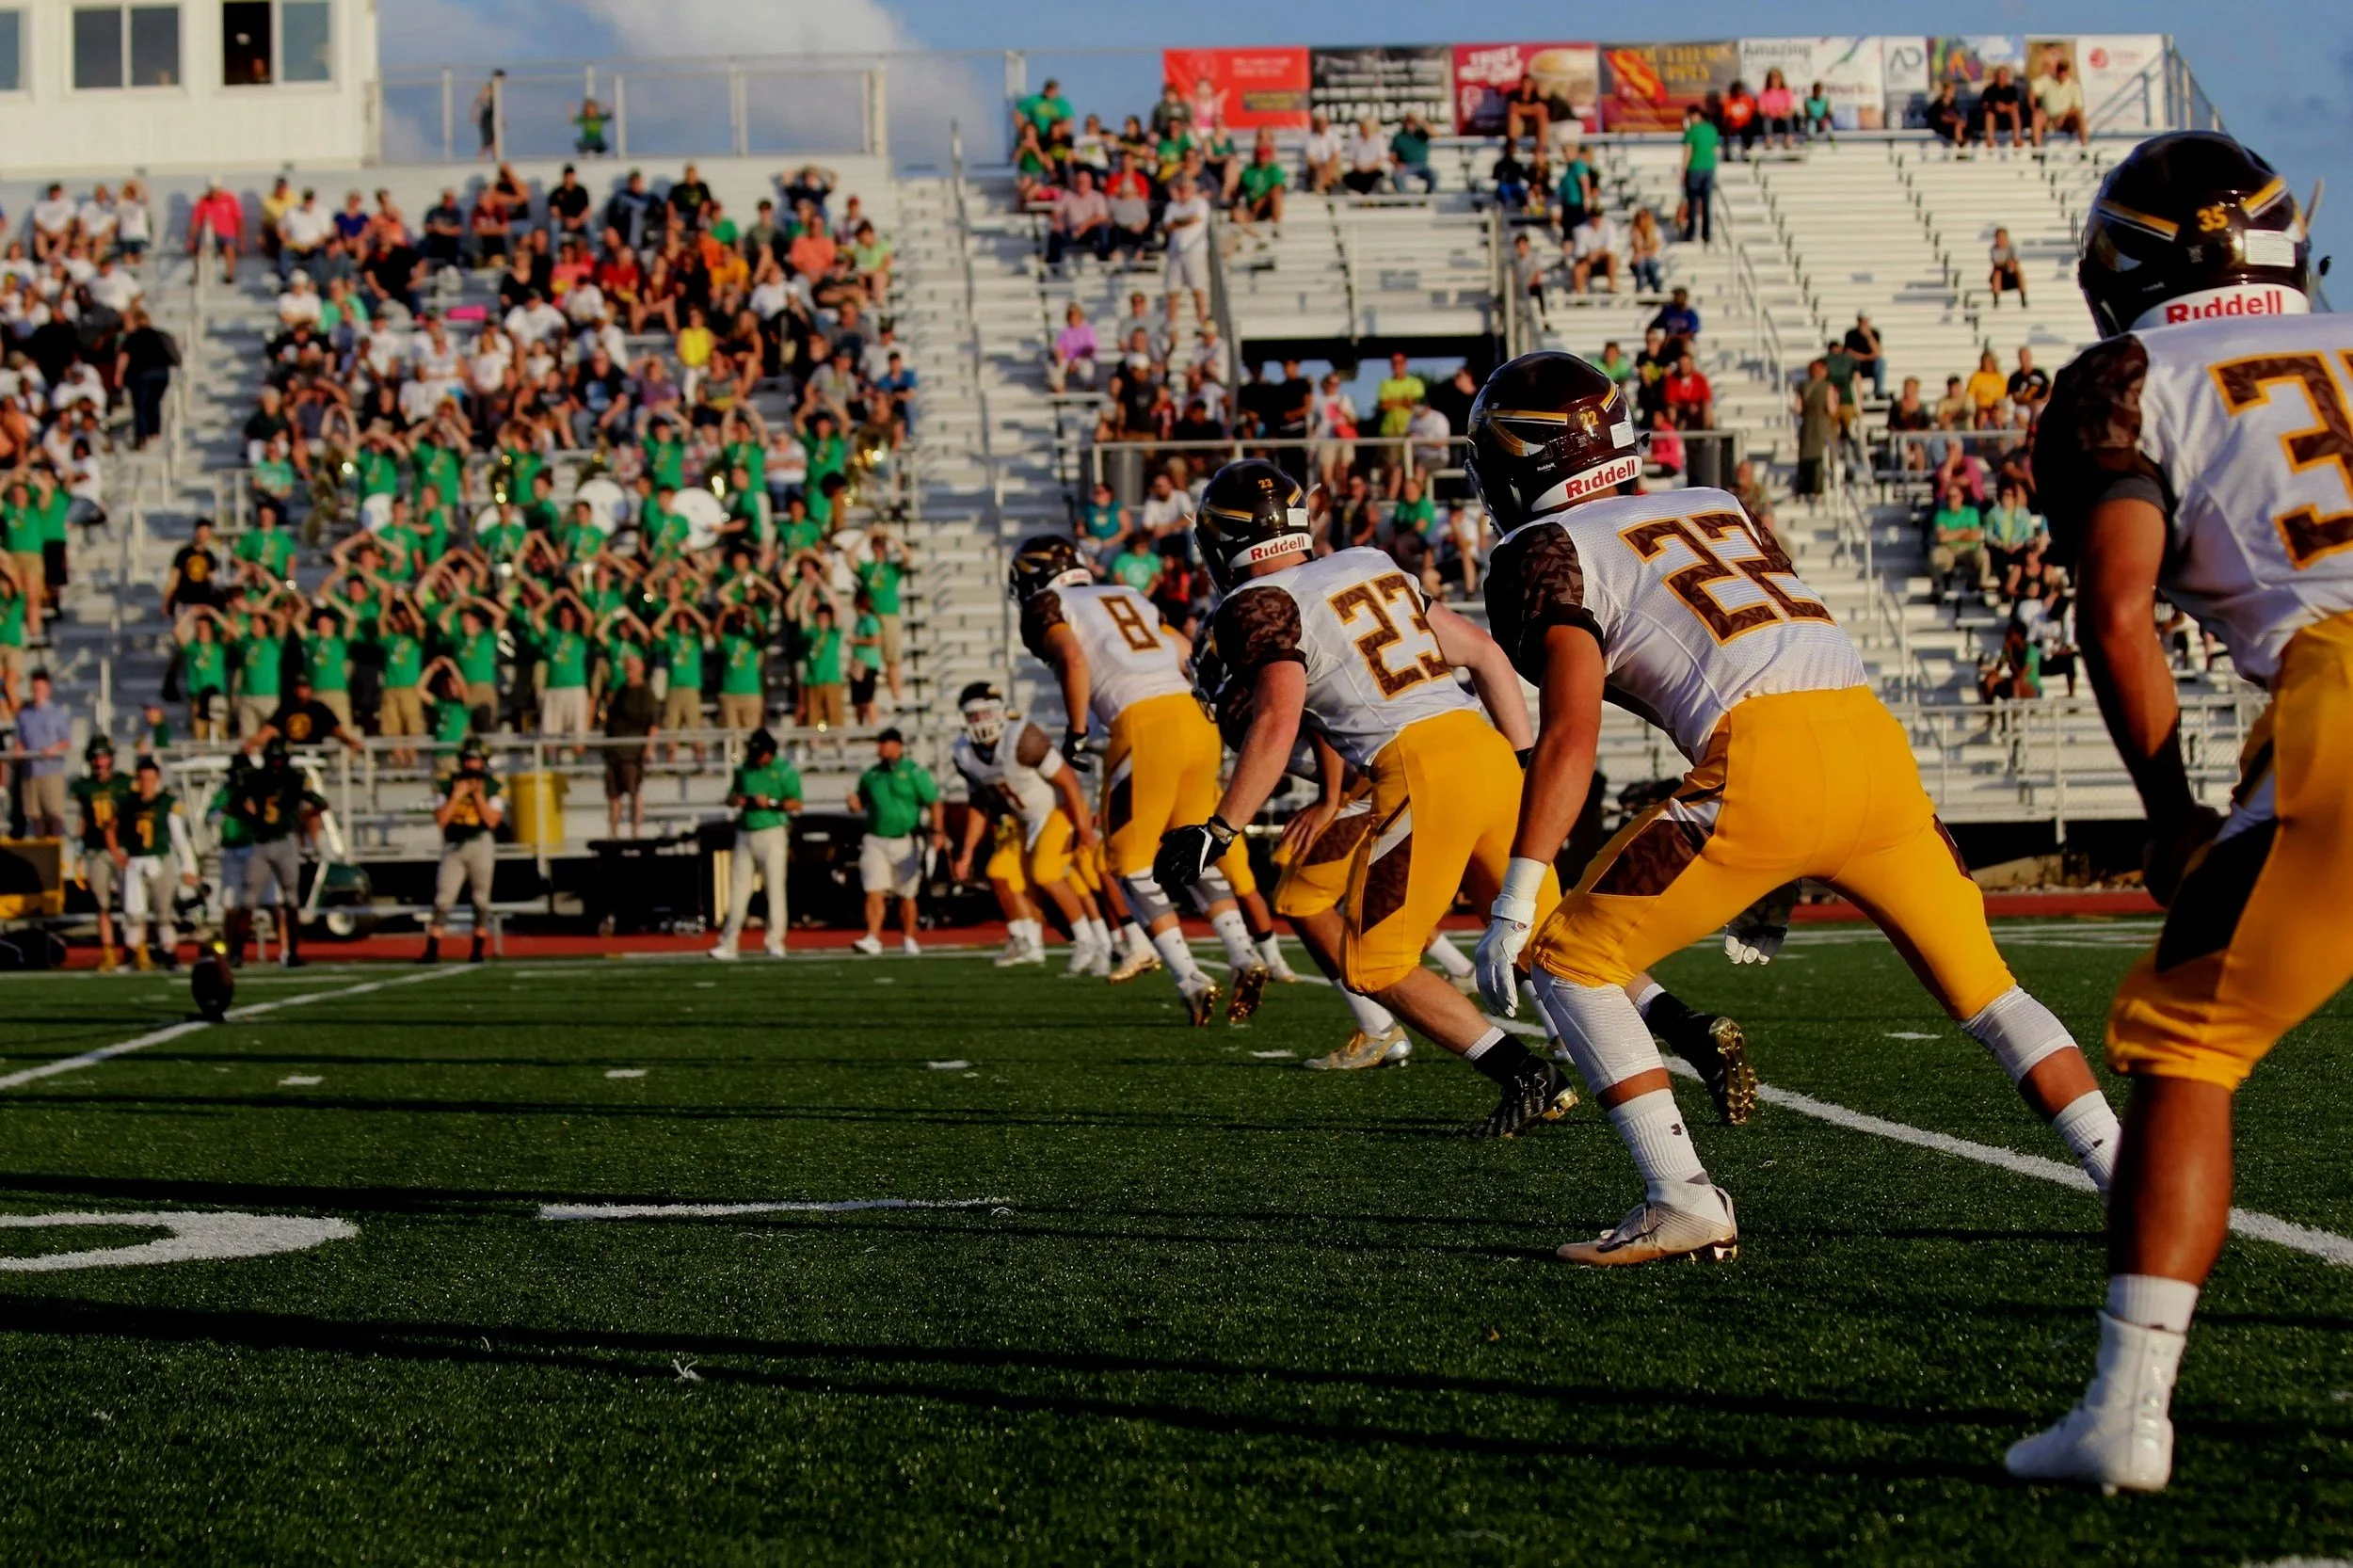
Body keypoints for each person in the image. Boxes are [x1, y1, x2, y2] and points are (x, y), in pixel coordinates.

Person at [1465, 351, 2121, 1265]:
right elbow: (1779, 644)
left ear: (1515, 460)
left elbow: (1572, 732)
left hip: (1760, 765)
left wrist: (1515, 892)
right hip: (1872, 747)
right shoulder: (1714, 503)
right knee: (1988, 993)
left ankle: (1681, 1196)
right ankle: (2125, 1175)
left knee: (1568, 960)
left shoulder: (1546, 548)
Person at [2005, 131, 2340, 1493]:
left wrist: (2167, 811)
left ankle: (2126, 1413)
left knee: (2187, 1039)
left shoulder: (2135, 378)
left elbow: (2119, 603)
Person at [1168, 460, 1575, 1111]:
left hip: (1417, 769)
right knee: (1549, 934)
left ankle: (1526, 1076)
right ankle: (1675, 1041)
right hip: (1487, 748)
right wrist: (1527, 761)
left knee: (1375, 963)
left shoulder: (1253, 603)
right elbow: (1487, 656)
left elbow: (1278, 719)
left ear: (1222, 543)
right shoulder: (1368, 561)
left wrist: (1220, 829)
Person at [1010, 535, 1266, 1016]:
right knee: (1192, 848)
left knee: (1127, 864)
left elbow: (1073, 657)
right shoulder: (1126, 594)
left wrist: (1078, 730)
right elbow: (1186, 651)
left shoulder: (1047, 604)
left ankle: (1189, 977)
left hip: (1144, 725)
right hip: (1193, 718)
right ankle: (1243, 953)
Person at [949, 681, 1112, 973]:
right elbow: (979, 804)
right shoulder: (964, 753)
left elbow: (1068, 783)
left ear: (1000, 712)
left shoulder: (1021, 737)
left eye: (985, 714)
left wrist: (1083, 826)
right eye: (973, 717)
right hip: (1021, 820)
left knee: (1049, 874)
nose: (980, 723)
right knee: (1001, 873)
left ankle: (1092, 941)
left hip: (1056, 811)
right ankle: (1028, 942)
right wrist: (967, 853)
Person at [226, 736, 326, 968]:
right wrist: (297, 819)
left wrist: (255, 820)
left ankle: (251, 953)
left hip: (274, 840)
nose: (277, 765)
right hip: (272, 840)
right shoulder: (289, 777)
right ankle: (271, 953)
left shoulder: (261, 777)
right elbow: (320, 803)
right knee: (272, 900)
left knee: (277, 899)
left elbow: (232, 807)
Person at [849, 728, 944, 957]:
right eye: (880, 743)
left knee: (907, 893)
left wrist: (937, 831)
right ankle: (873, 936)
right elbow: (861, 804)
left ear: (898, 746)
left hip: (905, 838)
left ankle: (909, 937)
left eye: (886, 743)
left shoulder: (914, 773)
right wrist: (854, 805)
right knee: (874, 890)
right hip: (875, 838)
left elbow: (933, 801)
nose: (881, 748)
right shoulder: (871, 775)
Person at [712, 727, 802, 960]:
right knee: (738, 891)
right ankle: (729, 942)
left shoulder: (784, 771)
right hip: (746, 831)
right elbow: (730, 797)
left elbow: (796, 803)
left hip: (772, 831)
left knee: (775, 888)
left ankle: (775, 940)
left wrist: (771, 802)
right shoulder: (744, 769)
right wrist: (738, 800)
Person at [419, 738, 503, 965]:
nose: (472, 764)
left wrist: (477, 796)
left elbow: (492, 821)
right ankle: (433, 948)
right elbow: (442, 819)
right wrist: (456, 796)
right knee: (444, 897)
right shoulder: (448, 784)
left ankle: (477, 949)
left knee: (481, 898)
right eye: (468, 759)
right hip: (454, 844)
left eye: (475, 759)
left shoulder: (492, 785)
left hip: (480, 842)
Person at [72, 736, 130, 969]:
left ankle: (134, 949)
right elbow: (83, 820)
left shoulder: (124, 783)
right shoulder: (85, 787)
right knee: (102, 904)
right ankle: (108, 952)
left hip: (122, 849)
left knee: (132, 903)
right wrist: (78, 852)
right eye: (96, 757)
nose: (100, 762)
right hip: (96, 849)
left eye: (103, 756)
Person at [601, 651, 660, 839]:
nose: (629, 672)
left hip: (633, 752)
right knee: (613, 795)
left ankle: (636, 831)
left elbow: (653, 723)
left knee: (634, 791)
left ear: (641, 668)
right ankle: (614, 832)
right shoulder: (621, 691)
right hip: (614, 752)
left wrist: (649, 748)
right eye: (627, 668)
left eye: (632, 668)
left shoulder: (646, 693)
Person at [1160, 175, 1212, 328]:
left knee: (1198, 288)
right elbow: (1166, 227)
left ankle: (1202, 322)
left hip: (1194, 250)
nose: (1183, 192)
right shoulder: (1172, 206)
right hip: (1175, 251)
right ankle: (1171, 325)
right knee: (1172, 289)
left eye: (1187, 188)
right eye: (1181, 188)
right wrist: (1181, 222)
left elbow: (1195, 219)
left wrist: (1177, 222)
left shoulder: (1200, 203)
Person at [1678, 104, 1720, 244]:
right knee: (1706, 202)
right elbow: (1715, 149)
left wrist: (1683, 169)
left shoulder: (1692, 131)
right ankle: (1706, 233)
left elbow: (1688, 151)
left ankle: (1691, 232)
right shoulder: (1712, 130)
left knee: (1693, 202)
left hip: (1695, 168)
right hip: (1709, 168)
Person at [2032, 56, 2088, 148]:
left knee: (2080, 117)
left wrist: (2063, 115)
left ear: (2067, 72)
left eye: (2064, 71)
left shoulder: (2074, 86)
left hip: (2066, 120)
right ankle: (2037, 149)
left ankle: (2084, 147)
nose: (2062, 73)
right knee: (2038, 115)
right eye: (2060, 70)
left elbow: (2078, 108)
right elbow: (2033, 90)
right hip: (2049, 119)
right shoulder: (2047, 80)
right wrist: (2033, 106)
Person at [1989, 226, 2028, 309]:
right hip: (2000, 274)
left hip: (2011, 273)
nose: (2000, 240)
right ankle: (1996, 300)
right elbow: (1997, 264)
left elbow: (2015, 262)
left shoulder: (2012, 247)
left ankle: (2023, 298)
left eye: (2002, 237)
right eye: (1998, 238)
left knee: (2018, 272)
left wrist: (2008, 263)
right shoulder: (1994, 249)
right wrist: (2007, 262)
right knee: (1997, 274)